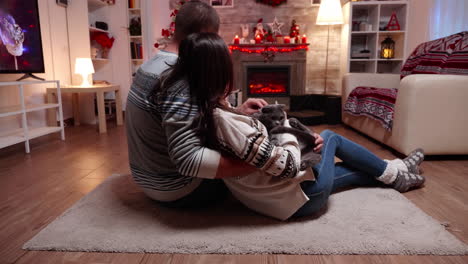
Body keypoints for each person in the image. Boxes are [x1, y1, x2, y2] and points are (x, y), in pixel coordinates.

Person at [162, 32, 426, 220]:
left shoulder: (207, 110)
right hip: (297, 200)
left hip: (270, 198)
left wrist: (243, 112)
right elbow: (288, 167)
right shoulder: (223, 120)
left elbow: (242, 138)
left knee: (349, 169)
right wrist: (284, 123)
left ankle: (394, 172)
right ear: (219, 72)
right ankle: (394, 171)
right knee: (331, 137)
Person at [125, 0, 266, 207]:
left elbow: (189, 116)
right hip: (177, 188)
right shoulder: (179, 77)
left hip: (146, 179)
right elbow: (189, 160)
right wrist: (259, 164)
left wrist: (237, 111)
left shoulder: (150, 65)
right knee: (259, 163)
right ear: (204, 36)